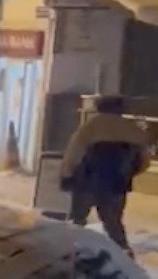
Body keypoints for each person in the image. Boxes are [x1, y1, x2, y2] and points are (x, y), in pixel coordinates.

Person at [60, 95, 151, 254]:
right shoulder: (132, 129)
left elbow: (74, 153)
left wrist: (67, 174)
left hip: (87, 182)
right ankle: (124, 255)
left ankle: (67, 253)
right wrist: (129, 174)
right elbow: (144, 162)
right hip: (116, 185)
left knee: (77, 220)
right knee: (113, 224)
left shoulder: (91, 126)